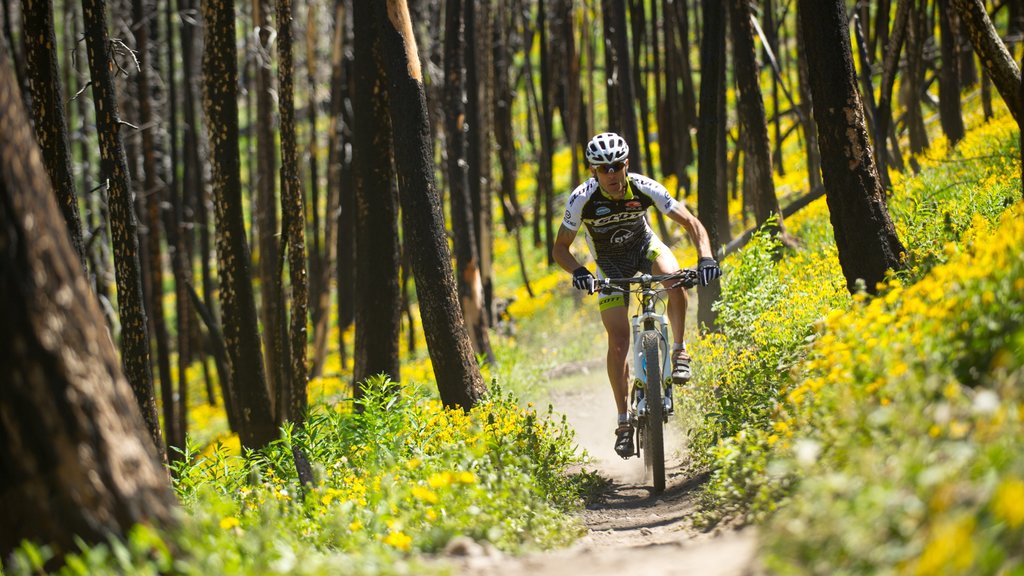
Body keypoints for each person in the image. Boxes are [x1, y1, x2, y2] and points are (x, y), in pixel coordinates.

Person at [553, 132, 721, 459]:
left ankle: (679, 349)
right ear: (593, 172)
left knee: (674, 281)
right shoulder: (581, 199)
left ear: (626, 164)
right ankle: (622, 421)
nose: (612, 174)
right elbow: (560, 248)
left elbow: (691, 222)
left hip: (644, 248)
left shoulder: (644, 187)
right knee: (617, 342)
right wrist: (580, 273)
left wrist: (706, 257)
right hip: (609, 265)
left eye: (617, 166)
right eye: (604, 169)